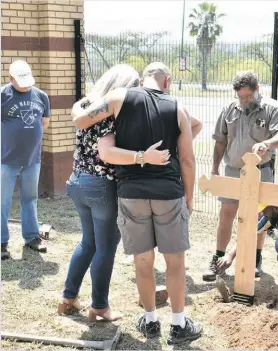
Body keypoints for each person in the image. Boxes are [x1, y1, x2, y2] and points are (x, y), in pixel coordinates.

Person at [72, 62, 202, 345]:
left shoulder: (119, 98)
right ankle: (179, 325)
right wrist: (189, 197)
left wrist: (77, 106)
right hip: (169, 193)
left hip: (130, 193)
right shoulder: (178, 108)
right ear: (167, 81)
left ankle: (151, 321)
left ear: (142, 80)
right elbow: (189, 159)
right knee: (175, 262)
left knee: (143, 261)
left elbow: (82, 119)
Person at [59, 64, 172, 322]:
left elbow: (77, 112)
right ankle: (99, 306)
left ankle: (68, 297)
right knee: (106, 246)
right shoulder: (111, 116)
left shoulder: (88, 107)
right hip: (101, 186)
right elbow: (107, 153)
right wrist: (143, 156)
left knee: (88, 243)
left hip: (78, 182)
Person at [203, 70, 278, 281]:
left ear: (257, 89)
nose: (243, 100)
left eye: (248, 96)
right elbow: (220, 141)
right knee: (226, 214)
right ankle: (218, 258)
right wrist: (214, 168)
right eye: (240, 97)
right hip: (233, 171)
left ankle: (255, 259)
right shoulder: (229, 110)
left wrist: (267, 143)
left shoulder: (273, 108)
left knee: (259, 217)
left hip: (261, 171)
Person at [1, 60, 51, 260]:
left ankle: (31, 238)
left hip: (32, 159)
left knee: (30, 199)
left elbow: (44, 122)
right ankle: (2, 242)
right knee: (2, 202)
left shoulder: (41, 96)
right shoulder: (2, 95)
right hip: (5, 159)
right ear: (11, 78)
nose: (25, 85)